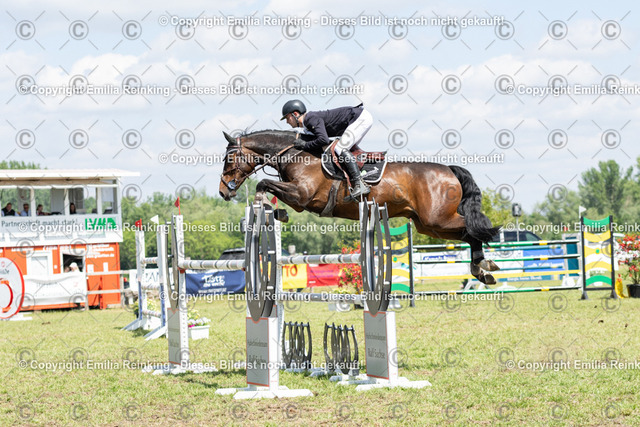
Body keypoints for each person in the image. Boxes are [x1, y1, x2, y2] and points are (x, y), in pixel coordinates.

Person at [281, 99, 373, 201]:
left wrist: (305, 145)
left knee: (340, 148)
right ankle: (354, 182)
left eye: (287, 118)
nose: (287, 121)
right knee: (344, 150)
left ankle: (359, 184)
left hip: (360, 118)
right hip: (358, 118)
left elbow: (323, 140)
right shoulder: (307, 125)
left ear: (295, 114)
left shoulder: (310, 119)